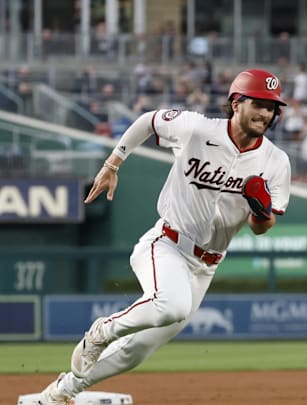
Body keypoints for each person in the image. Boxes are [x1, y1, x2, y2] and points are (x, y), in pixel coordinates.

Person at [36, 68, 291, 404]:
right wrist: (113, 164)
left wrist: (260, 210)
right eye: (258, 103)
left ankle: (61, 392)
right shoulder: (198, 129)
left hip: (206, 266)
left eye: (271, 107)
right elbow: (148, 121)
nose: (265, 113)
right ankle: (101, 332)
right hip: (167, 243)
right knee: (171, 304)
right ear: (236, 102)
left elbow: (262, 227)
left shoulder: (276, 161)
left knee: (137, 351)